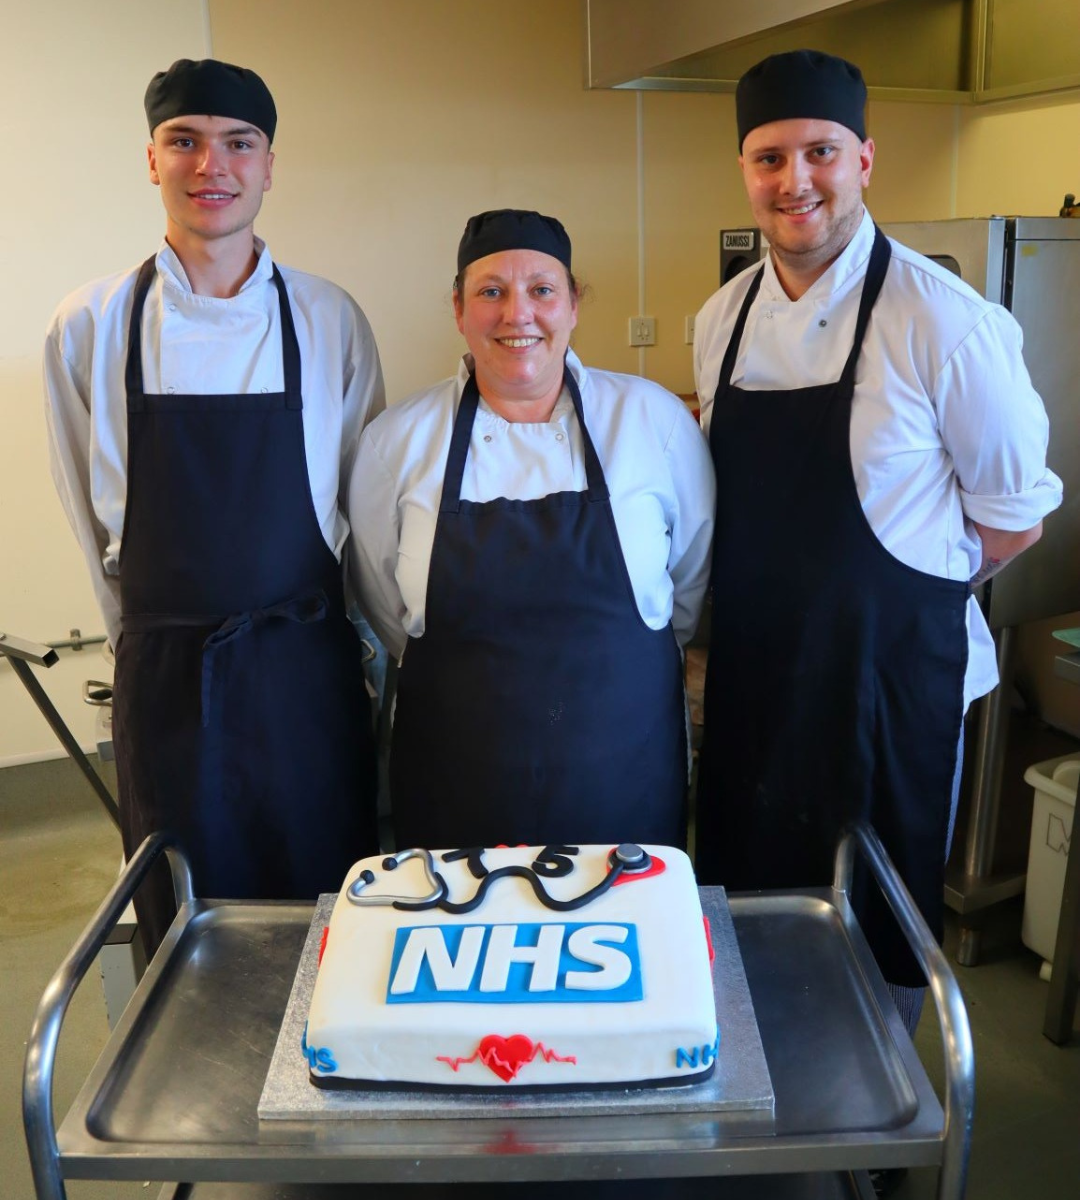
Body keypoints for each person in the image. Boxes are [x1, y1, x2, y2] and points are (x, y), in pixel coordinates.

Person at [693, 49, 1063, 1031]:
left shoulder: (947, 322)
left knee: (878, 926)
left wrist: (897, 589)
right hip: (758, 675)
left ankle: (878, 1141)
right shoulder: (721, 320)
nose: (794, 179)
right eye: (769, 158)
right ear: (745, 171)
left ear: (864, 159)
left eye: (819, 151)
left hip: (886, 681)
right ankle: (760, 1107)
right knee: (753, 908)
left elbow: (1016, 514)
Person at [44, 59, 384, 955]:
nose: (212, 165)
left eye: (238, 143)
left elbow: (365, 504)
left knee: (329, 917)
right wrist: (138, 646)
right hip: (167, 685)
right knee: (189, 927)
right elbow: (89, 517)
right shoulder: (92, 323)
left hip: (304, 674)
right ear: (150, 160)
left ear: (270, 163)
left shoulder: (329, 318)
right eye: (184, 141)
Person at [349, 208, 715, 852]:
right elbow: (385, 601)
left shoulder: (653, 421)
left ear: (573, 304)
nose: (518, 314)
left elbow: (686, 584)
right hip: (457, 784)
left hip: (622, 777)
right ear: (459, 309)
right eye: (491, 291)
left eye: (542, 290)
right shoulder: (397, 443)